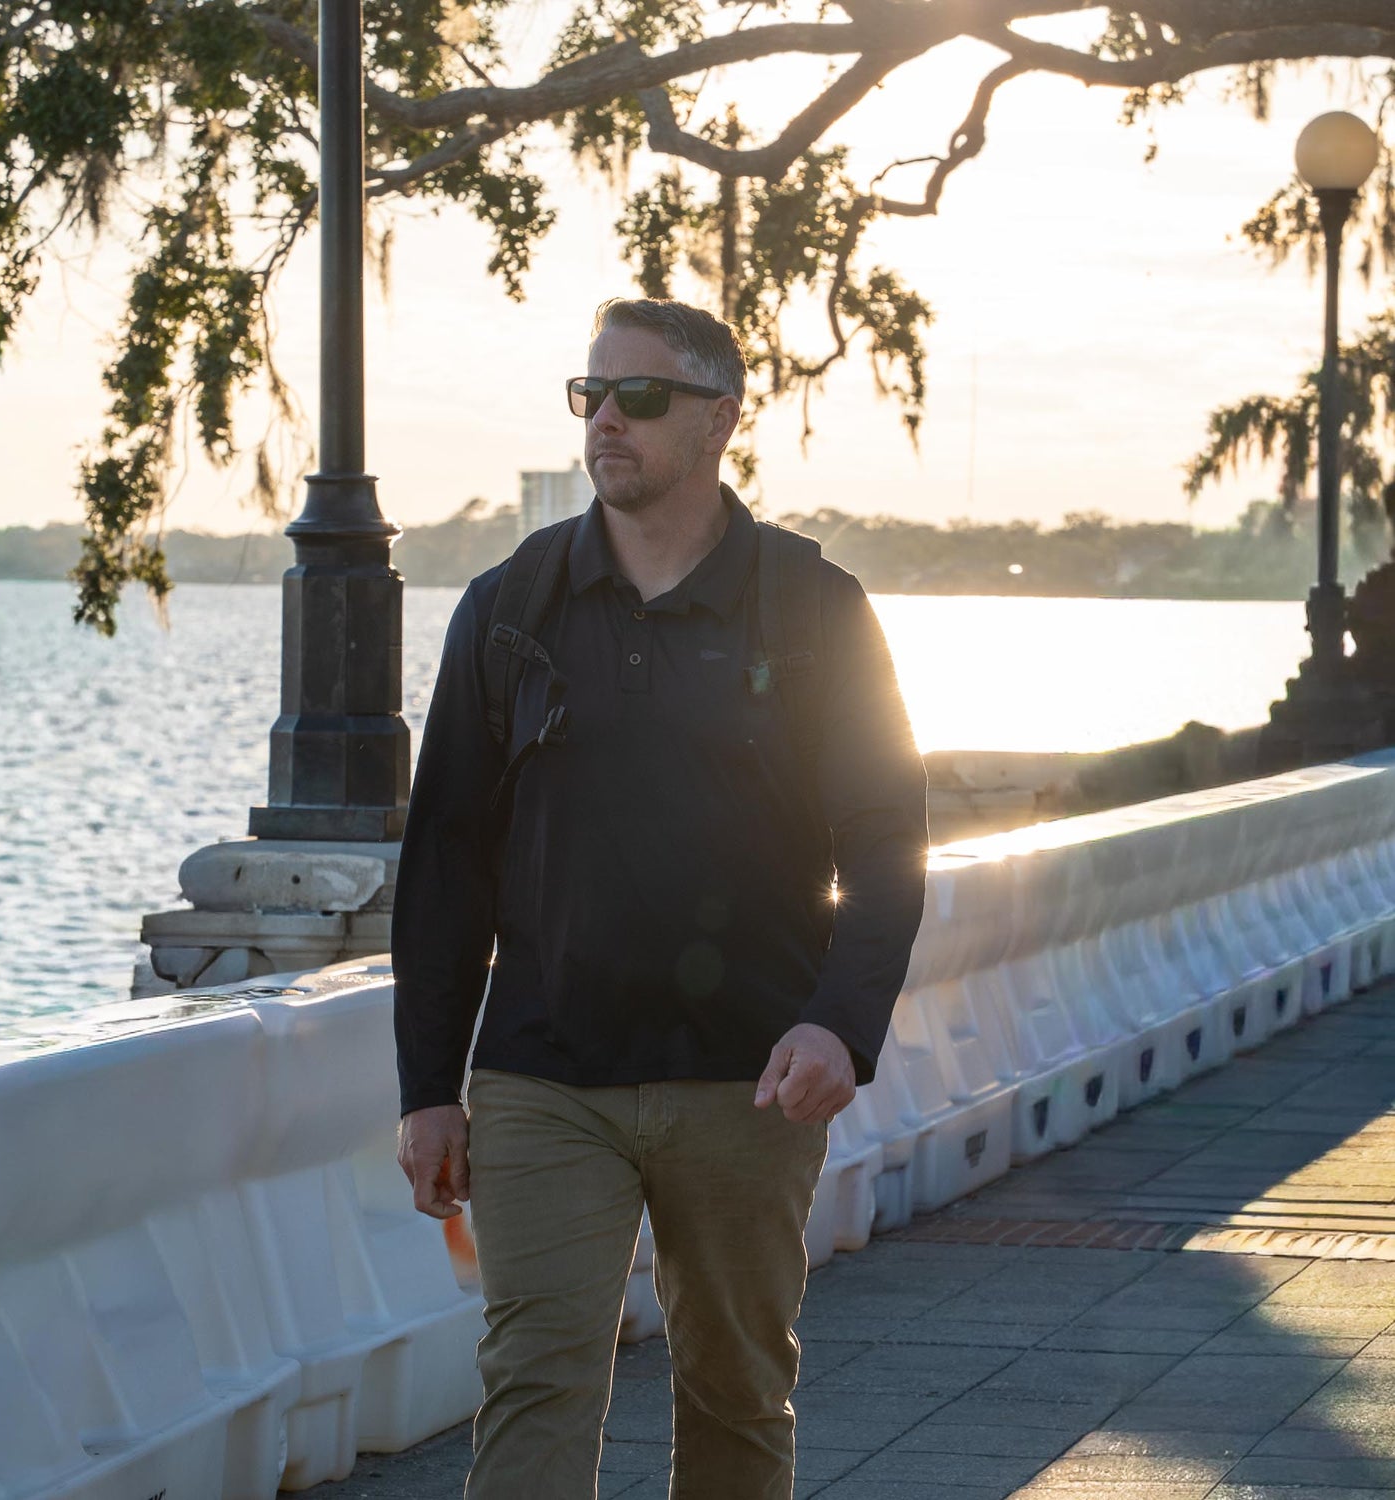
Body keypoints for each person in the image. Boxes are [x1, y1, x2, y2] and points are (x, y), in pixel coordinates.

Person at [392, 296, 928, 1500]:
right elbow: (446, 867)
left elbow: (890, 841)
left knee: (737, 1385)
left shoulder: (812, 606)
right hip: (542, 1077)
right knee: (534, 1374)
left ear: (720, 418)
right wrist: (427, 1086)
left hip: (747, 1076)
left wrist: (840, 1023)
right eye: (591, 396)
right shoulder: (508, 608)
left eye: (641, 397)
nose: (607, 422)